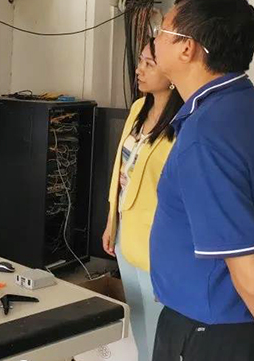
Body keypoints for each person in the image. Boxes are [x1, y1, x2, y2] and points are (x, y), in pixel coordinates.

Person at [150, 0, 254, 361]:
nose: (155, 39)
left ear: (187, 48)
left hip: (213, 334)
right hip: (246, 325)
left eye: (162, 30)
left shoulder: (205, 136)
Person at [102, 39, 182, 361]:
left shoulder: (182, 122)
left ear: (172, 73)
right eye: (140, 61)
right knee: (136, 311)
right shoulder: (139, 108)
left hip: (156, 240)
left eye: (150, 63)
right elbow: (119, 169)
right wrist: (111, 220)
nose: (139, 69)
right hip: (126, 231)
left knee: (157, 317)